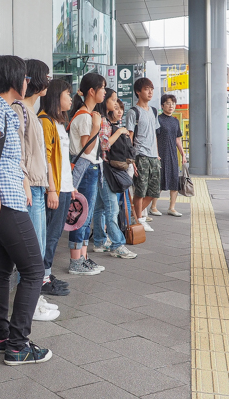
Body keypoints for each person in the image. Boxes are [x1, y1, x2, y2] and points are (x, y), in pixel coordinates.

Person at [0, 55, 52, 366]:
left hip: (7, 200)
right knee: (34, 270)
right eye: (23, 77)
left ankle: (0, 337)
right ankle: (17, 345)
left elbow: (4, 161)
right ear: (11, 78)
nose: (27, 82)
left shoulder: (1, 109)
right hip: (3, 203)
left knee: (2, 270)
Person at [14, 59, 62, 320]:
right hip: (30, 188)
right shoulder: (21, 110)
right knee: (33, 252)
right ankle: (31, 307)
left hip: (38, 187)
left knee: (38, 248)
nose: (49, 79)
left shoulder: (30, 111)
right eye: (45, 75)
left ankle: (35, 300)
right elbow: (19, 154)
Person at [67, 72, 106, 275]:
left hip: (91, 169)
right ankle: (76, 262)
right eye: (103, 88)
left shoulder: (89, 114)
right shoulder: (84, 116)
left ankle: (83, 258)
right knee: (80, 216)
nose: (105, 92)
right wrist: (96, 127)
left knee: (86, 215)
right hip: (85, 169)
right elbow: (87, 148)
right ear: (92, 91)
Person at [90, 89, 137, 259]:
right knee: (111, 208)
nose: (115, 104)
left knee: (101, 207)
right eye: (113, 100)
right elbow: (104, 145)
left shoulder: (103, 119)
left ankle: (100, 241)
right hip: (105, 169)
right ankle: (117, 244)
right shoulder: (103, 120)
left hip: (102, 169)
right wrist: (119, 132)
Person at [39, 79, 74, 295]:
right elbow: (46, 159)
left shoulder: (58, 122)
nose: (70, 98)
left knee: (55, 233)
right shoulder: (45, 121)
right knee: (50, 235)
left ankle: (46, 273)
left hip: (65, 186)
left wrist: (71, 187)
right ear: (55, 96)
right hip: (56, 189)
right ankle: (42, 279)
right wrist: (52, 189)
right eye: (67, 94)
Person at [126, 78, 161, 232]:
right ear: (138, 92)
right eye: (147, 89)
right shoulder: (133, 112)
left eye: (151, 89)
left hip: (154, 156)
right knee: (140, 190)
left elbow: (154, 134)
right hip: (140, 155)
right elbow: (130, 137)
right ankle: (139, 219)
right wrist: (131, 158)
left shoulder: (154, 111)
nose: (150, 92)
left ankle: (134, 215)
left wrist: (157, 154)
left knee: (154, 191)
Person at [149, 93, 187, 217]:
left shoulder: (175, 121)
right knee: (159, 181)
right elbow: (154, 137)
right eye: (168, 103)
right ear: (162, 105)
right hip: (161, 154)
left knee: (174, 181)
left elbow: (177, 139)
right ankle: (153, 207)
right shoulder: (158, 120)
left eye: (173, 103)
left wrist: (183, 154)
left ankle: (172, 208)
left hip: (172, 155)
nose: (171, 106)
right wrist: (156, 153)